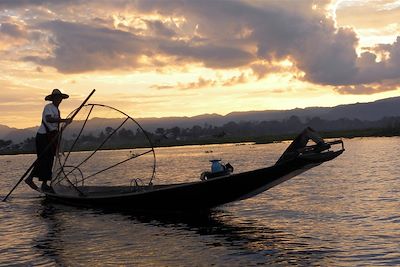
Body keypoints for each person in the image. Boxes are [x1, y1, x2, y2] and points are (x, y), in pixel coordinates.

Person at [25, 89, 72, 191]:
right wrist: (64, 120)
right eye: (56, 98)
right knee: (43, 158)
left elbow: (55, 125)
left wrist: (65, 123)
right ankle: (29, 178)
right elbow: (49, 119)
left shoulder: (57, 110)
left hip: (51, 136)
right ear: (53, 99)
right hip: (43, 136)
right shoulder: (48, 107)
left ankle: (44, 184)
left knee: (50, 159)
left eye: (60, 98)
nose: (58, 99)